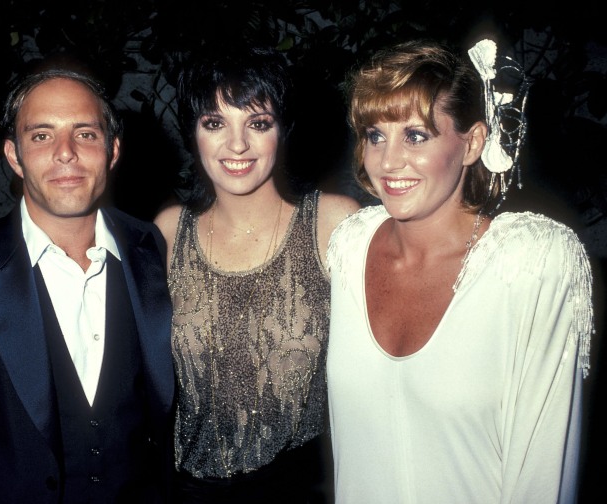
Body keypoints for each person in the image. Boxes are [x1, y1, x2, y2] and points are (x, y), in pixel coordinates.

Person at [0, 60, 175, 503]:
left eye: (85, 133)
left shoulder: (154, 249)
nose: (66, 152)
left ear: (113, 150)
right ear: (13, 156)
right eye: (42, 135)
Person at [326, 38, 593, 503]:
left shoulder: (530, 264)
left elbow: (542, 475)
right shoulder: (350, 246)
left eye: (415, 135)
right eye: (375, 135)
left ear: (472, 143)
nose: (389, 162)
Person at [153, 46, 360, 503]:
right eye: (214, 123)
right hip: (188, 492)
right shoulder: (168, 232)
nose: (238, 144)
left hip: (303, 490)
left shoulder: (334, 223)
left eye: (257, 123)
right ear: (193, 133)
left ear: (282, 130)